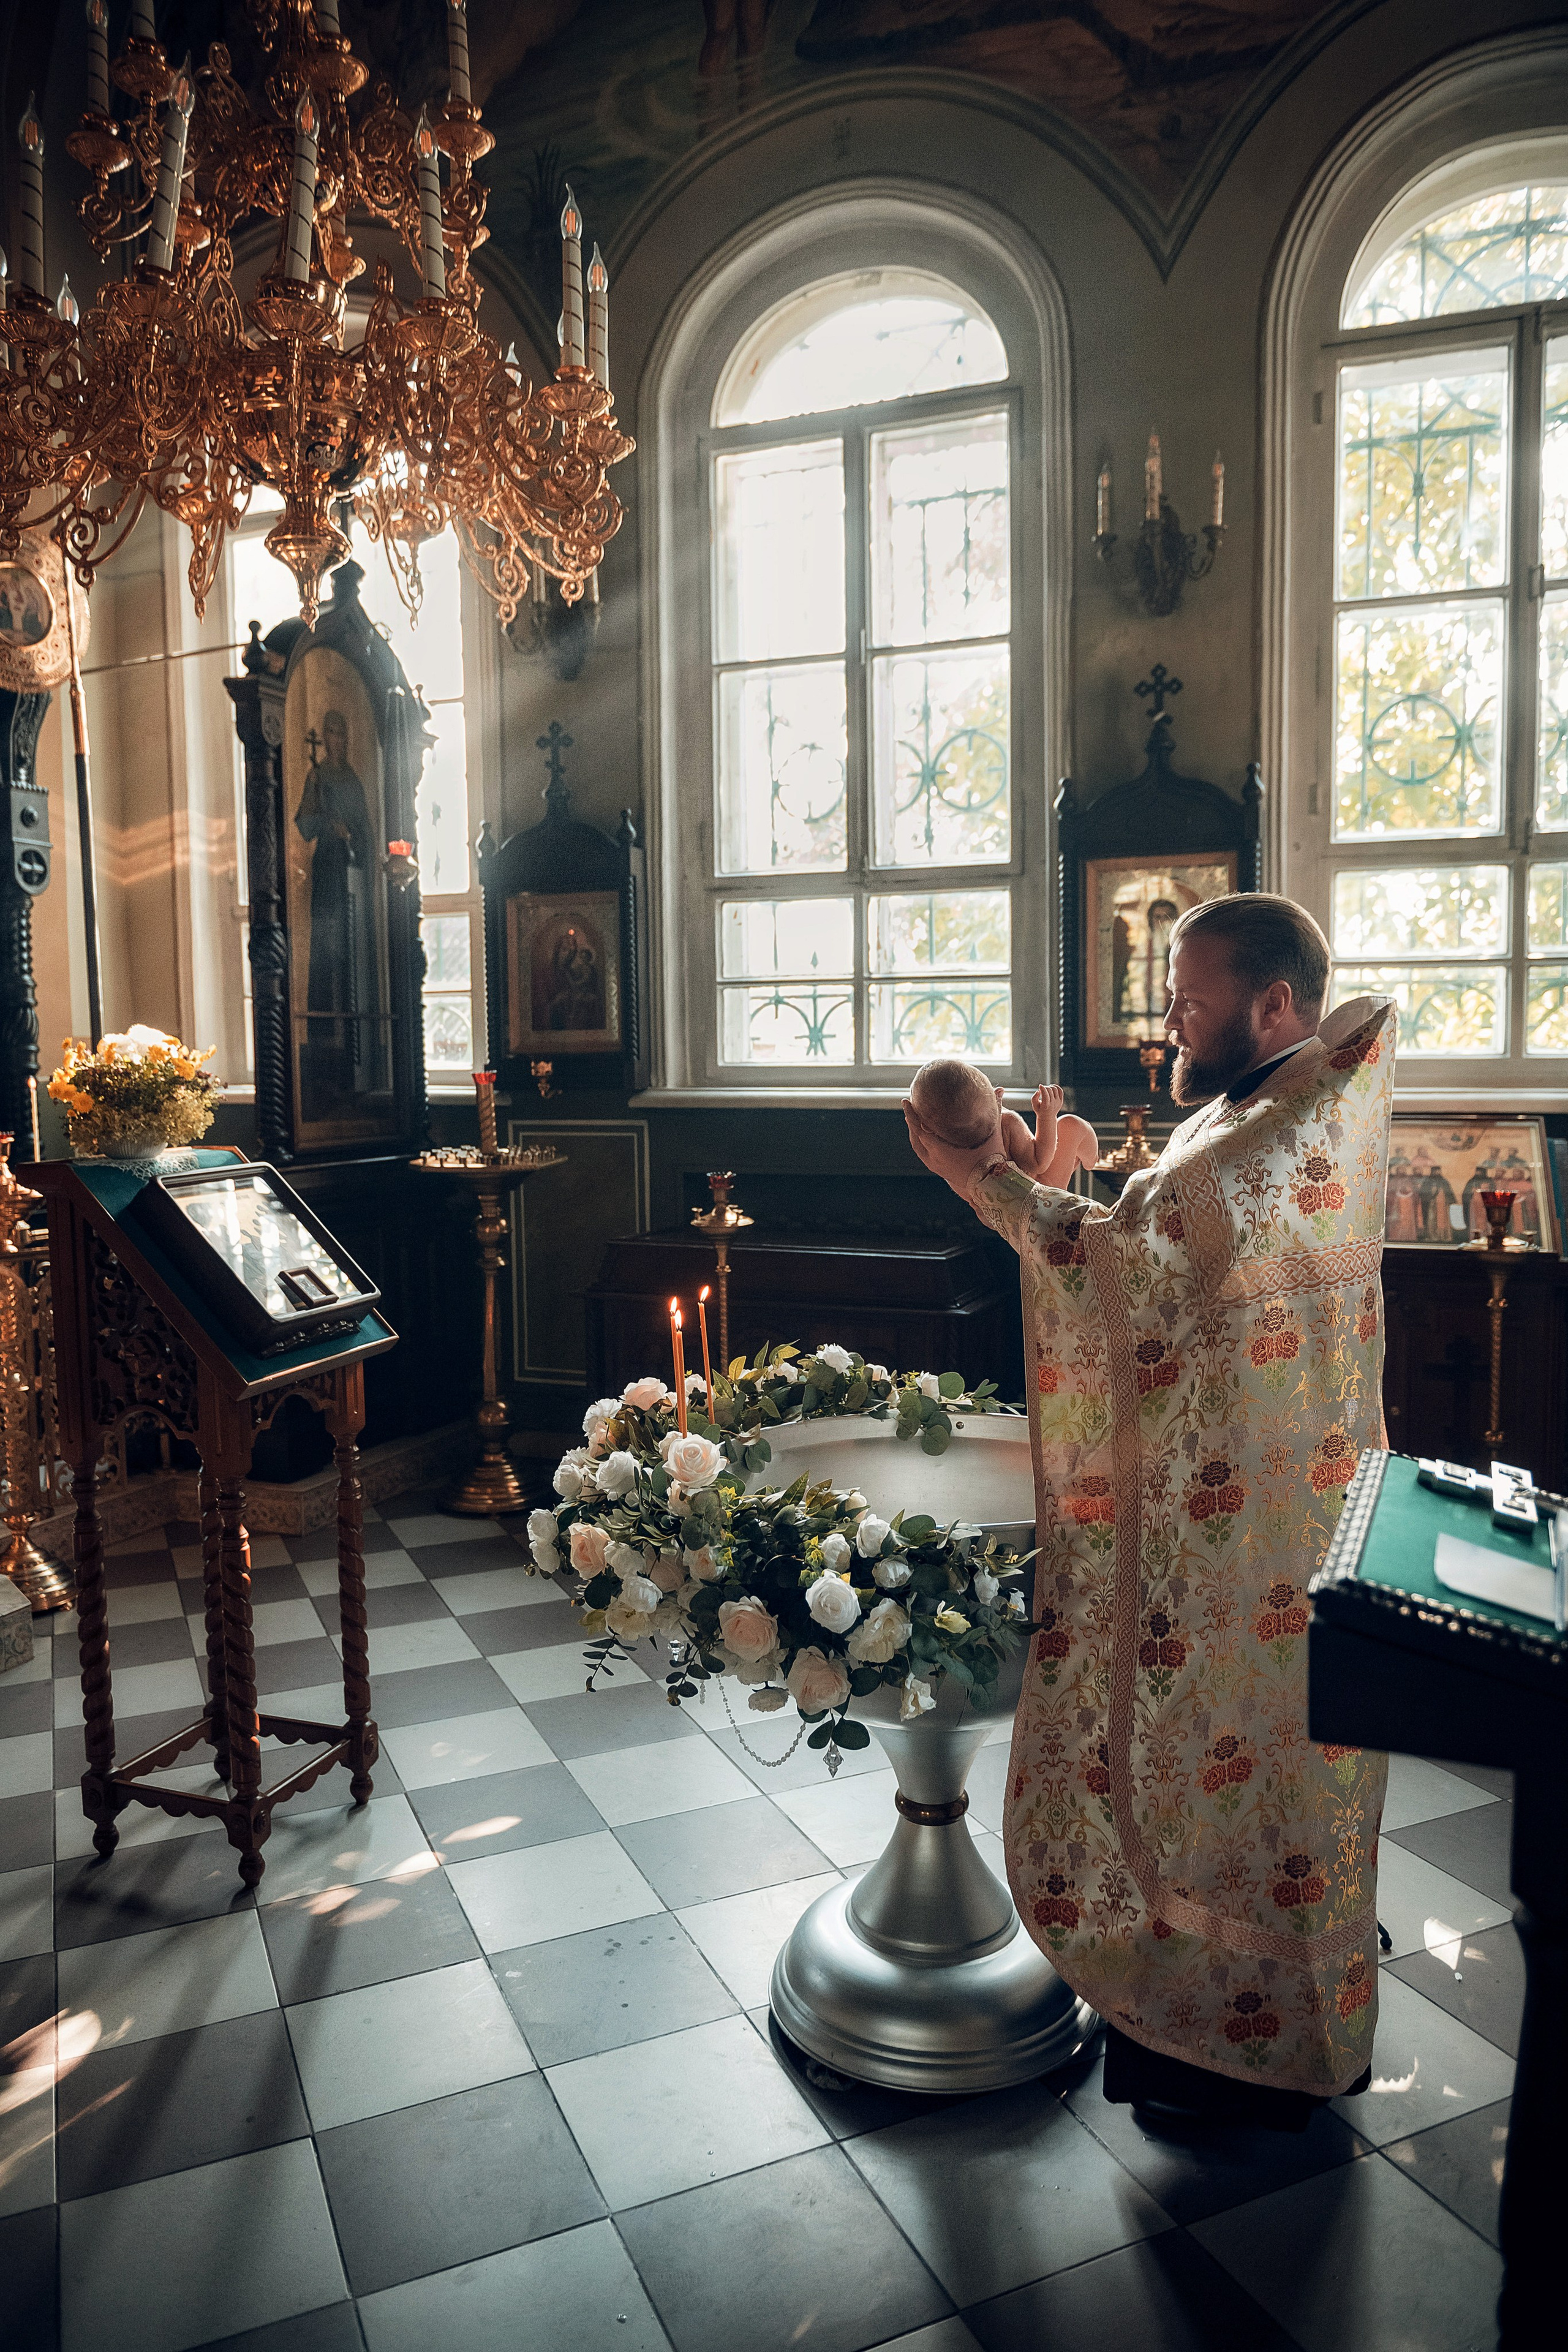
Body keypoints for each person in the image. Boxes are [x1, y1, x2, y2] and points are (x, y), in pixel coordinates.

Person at [905, 893, 1396, 2128]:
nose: (1166, 1015)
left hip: (1236, 1544)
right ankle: (1267, 2020)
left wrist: (983, 1179)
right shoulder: (1292, 1104)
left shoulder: (1255, 1131)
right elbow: (1182, 1240)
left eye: (1190, 994)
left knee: (1214, 1780)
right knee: (1263, 1785)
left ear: (1273, 1004)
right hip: (1281, 1515)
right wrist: (1073, 1181)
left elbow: (1126, 1261)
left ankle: (1229, 2052)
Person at [907, 1061, 1098, 1186]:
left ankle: (1081, 1159)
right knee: (1071, 1125)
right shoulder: (1007, 1123)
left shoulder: (947, 1152)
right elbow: (1039, 1163)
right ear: (998, 1096)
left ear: (926, 1127)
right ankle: (1092, 1161)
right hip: (1043, 1194)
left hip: (1006, 1217)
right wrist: (1046, 1117)